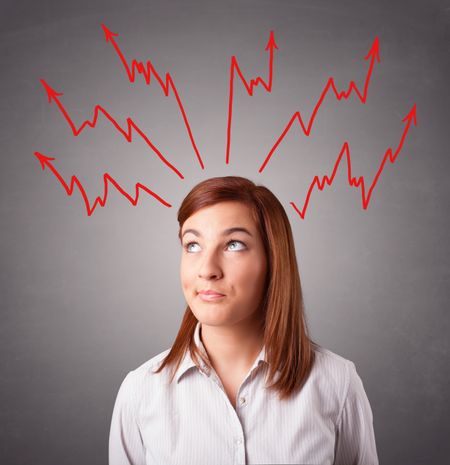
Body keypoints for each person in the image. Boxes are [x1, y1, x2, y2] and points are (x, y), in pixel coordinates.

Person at [108, 176, 379, 465]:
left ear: (273, 260)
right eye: (193, 245)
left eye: (234, 244)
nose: (207, 270)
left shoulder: (336, 383)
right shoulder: (140, 391)